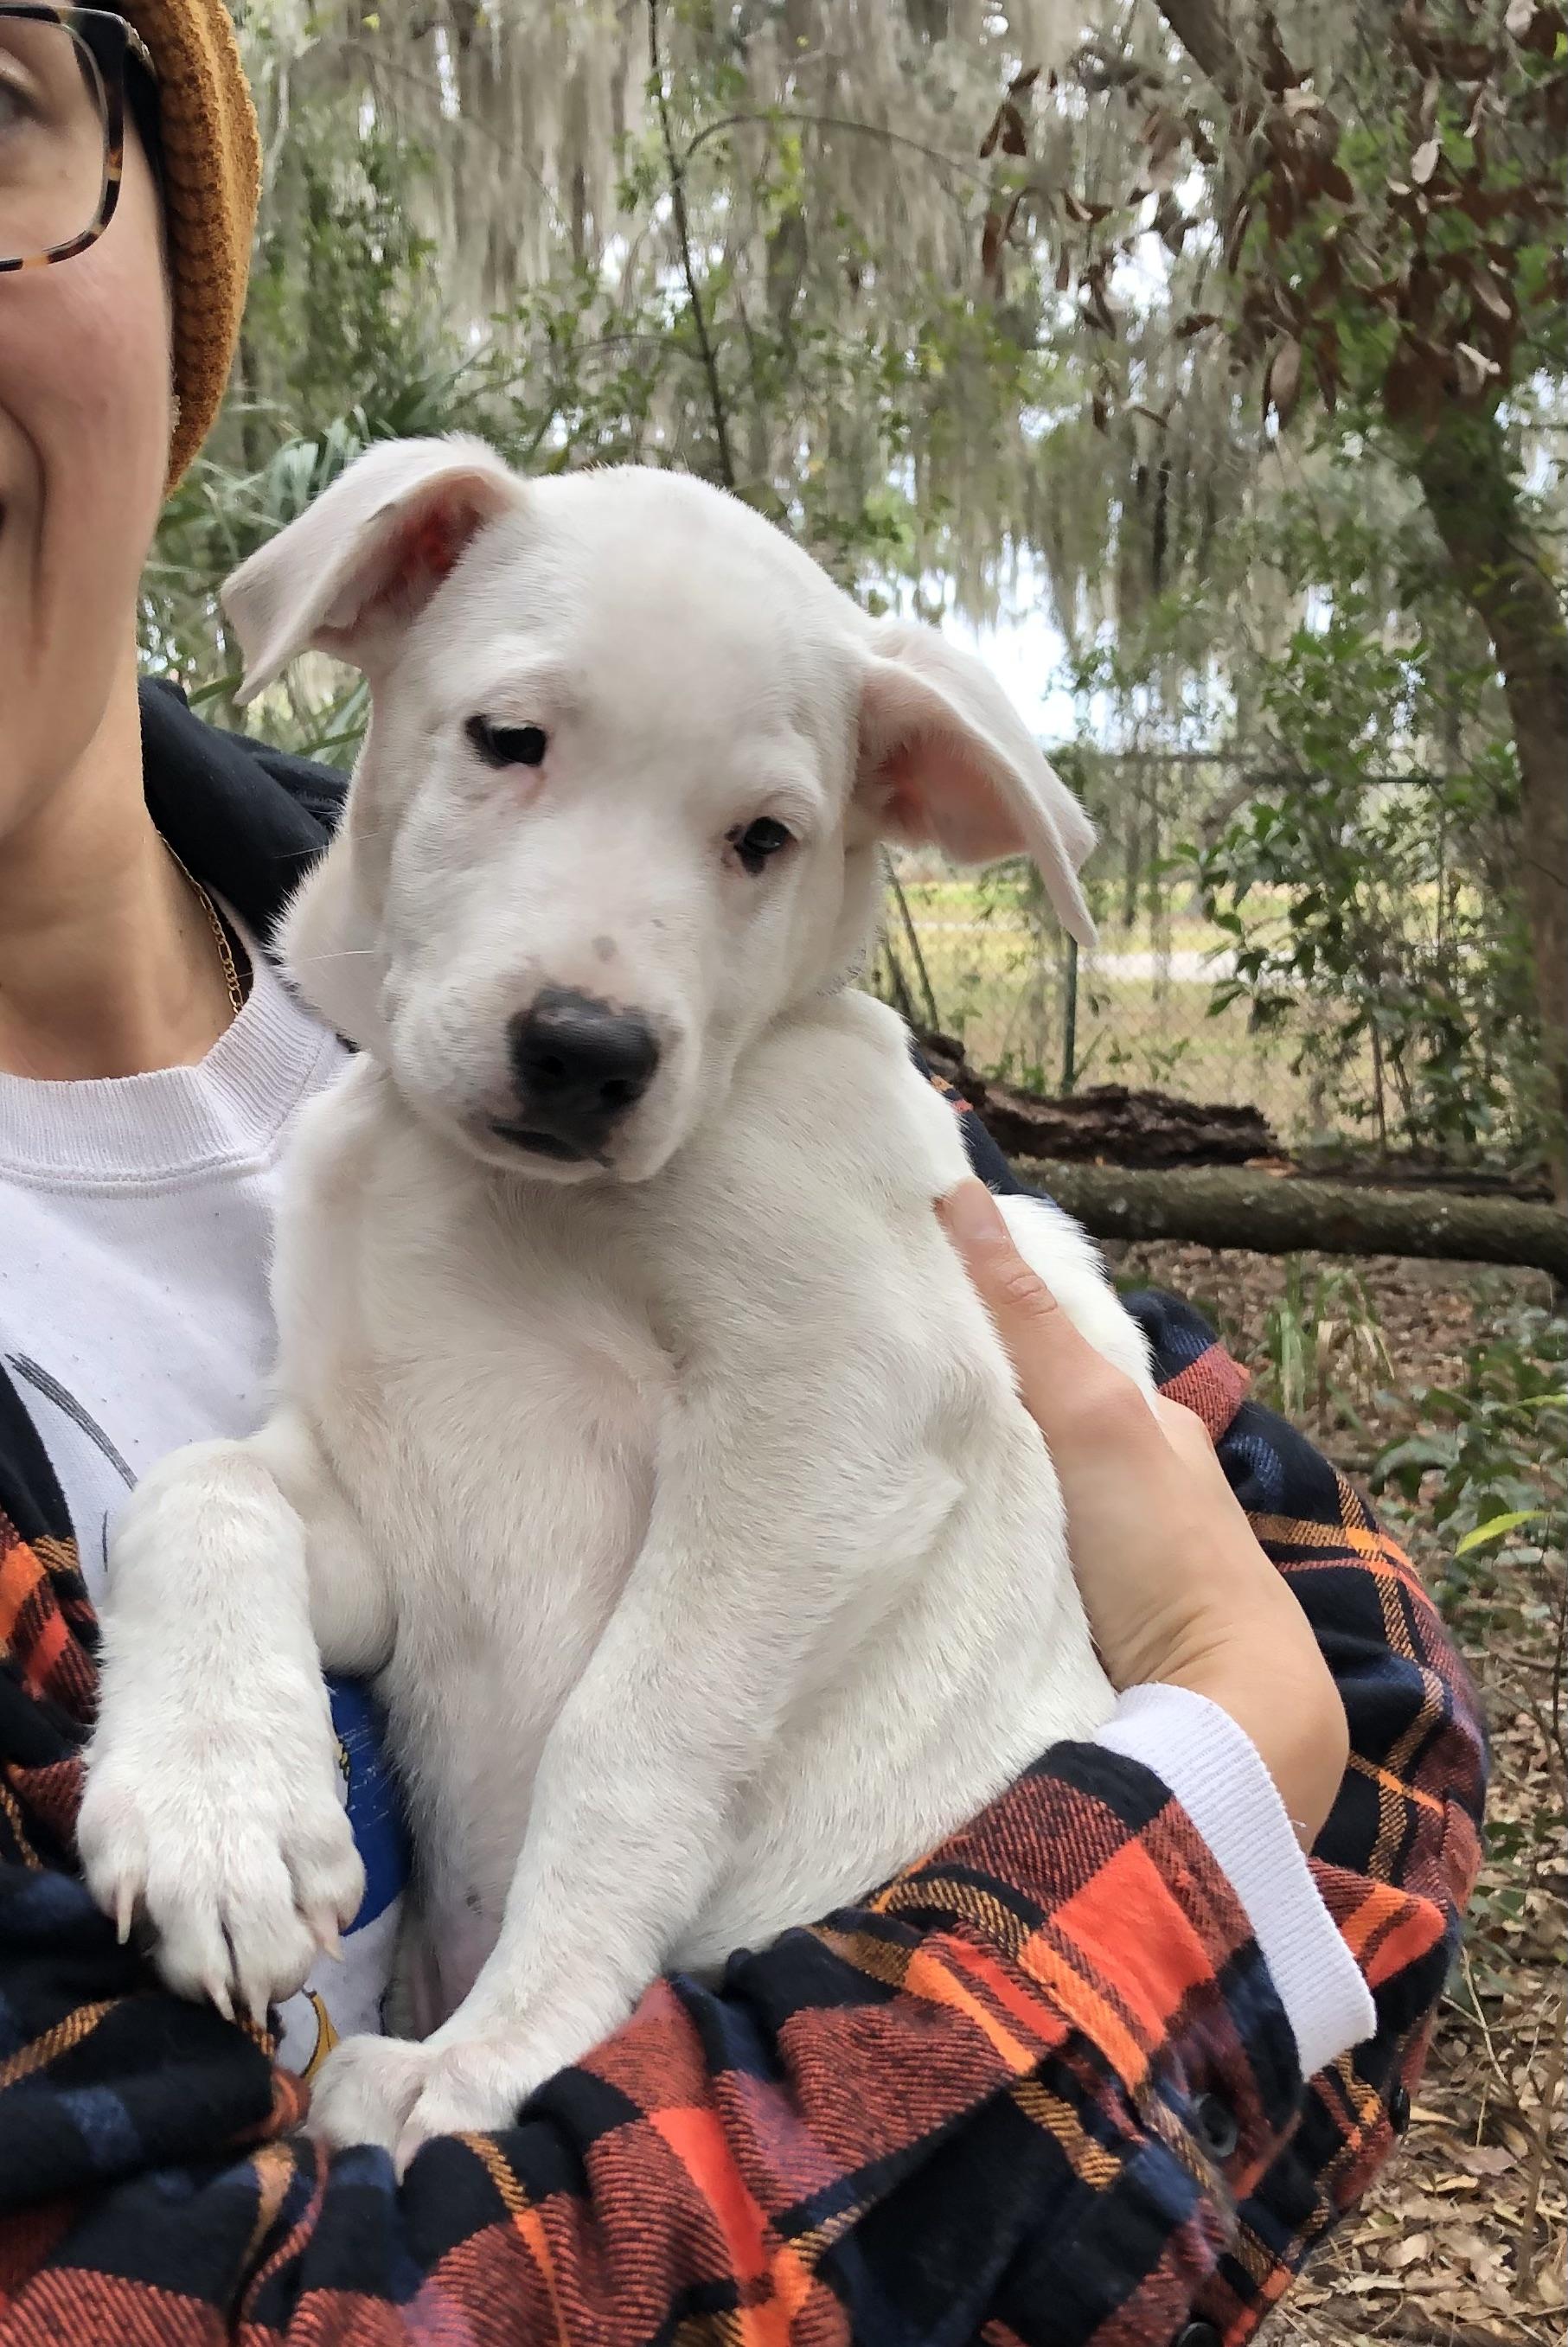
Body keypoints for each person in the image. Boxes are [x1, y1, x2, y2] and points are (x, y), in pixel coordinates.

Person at [0, 6, 1483, 2340]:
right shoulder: (403, 1144)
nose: (611, 985)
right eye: (515, 748)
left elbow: (1371, 1707)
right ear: (373, 618)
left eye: (752, 840)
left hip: (846, 1867)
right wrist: (1209, 1764)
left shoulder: (745, 1103)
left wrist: (1233, 1721)